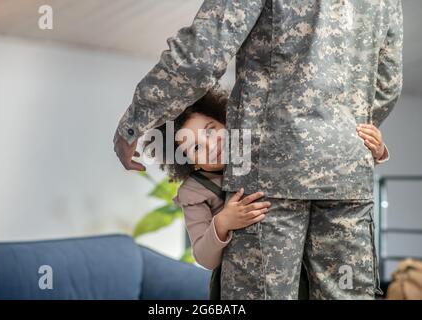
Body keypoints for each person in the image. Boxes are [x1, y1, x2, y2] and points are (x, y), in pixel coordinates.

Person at [114, 0, 402, 299]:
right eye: (195, 147)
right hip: (345, 174)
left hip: (267, 173)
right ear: (189, 162)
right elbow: (388, 80)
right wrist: (346, 134)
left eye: (211, 132)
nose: (210, 146)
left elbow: (201, 54)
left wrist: (135, 121)